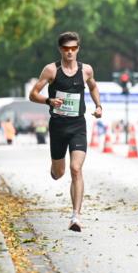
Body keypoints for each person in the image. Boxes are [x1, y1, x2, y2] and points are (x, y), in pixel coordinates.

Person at [29, 31, 103, 232]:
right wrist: (48, 100)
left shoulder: (86, 70)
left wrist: (98, 106)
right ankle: (54, 169)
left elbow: (93, 87)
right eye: (66, 49)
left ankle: (75, 217)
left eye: (73, 48)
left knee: (76, 169)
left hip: (78, 125)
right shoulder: (51, 70)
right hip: (58, 126)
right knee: (60, 173)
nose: (70, 52)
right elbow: (33, 94)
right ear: (60, 49)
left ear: (78, 49)